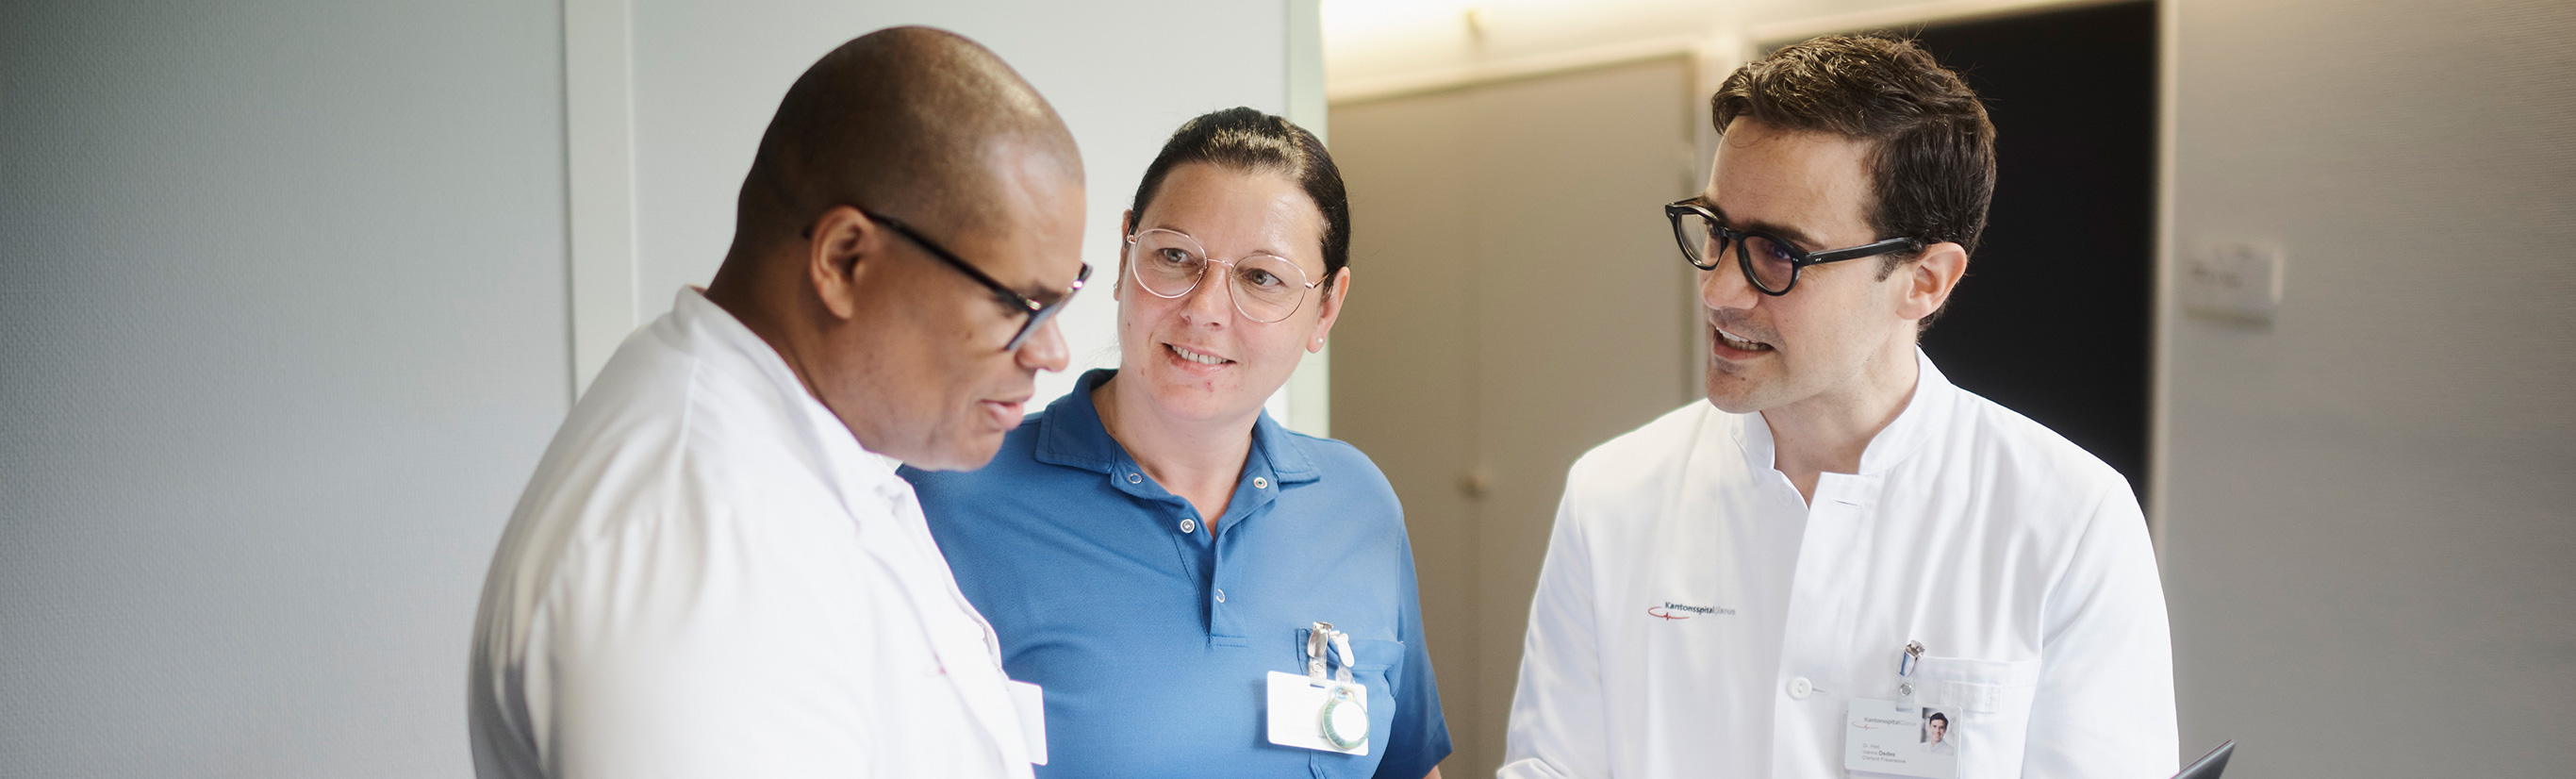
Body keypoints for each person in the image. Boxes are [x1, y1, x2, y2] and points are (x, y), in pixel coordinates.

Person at [1501, 34, 2177, 779]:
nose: (1720, 290)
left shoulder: (2069, 518)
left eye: (1780, 253)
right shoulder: (1613, 493)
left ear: (1924, 280)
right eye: (1718, 231)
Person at [466, 27, 1091, 779]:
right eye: (1018, 304)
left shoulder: (795, 464)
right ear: (845, 260)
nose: (1052, 353)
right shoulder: (701, 551)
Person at [903, 108, 1451, 779]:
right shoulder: (948, 499)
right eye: (1174, 257)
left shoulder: (1358, 506)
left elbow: (1407, 767)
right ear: (1125, 254)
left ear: (1327, 308)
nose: (1205, 309)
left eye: (1261, 277)